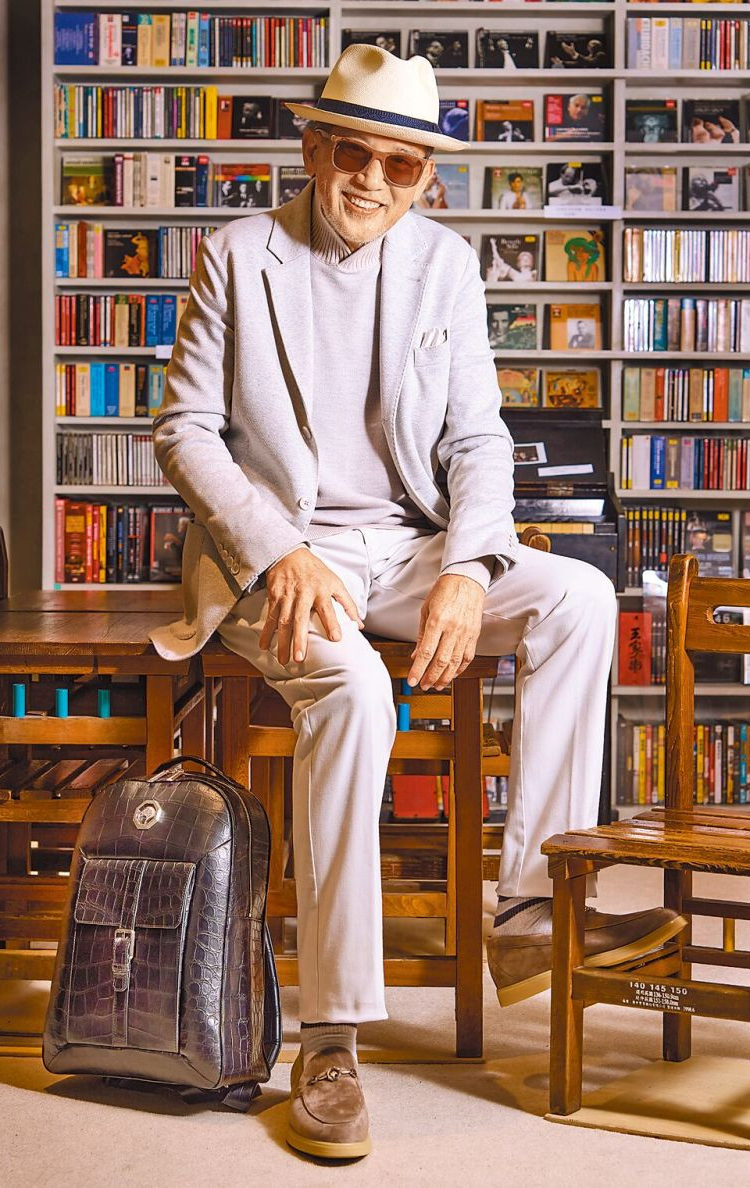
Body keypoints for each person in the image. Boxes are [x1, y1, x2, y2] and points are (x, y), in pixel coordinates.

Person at [150, 43, 685, 1162]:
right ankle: (331, 1038)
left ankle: (530, 910)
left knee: (580, 596)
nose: (373, 181)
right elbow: (185, 431)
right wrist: (275, 551)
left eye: (400, 165)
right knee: (351, 686)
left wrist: (467, 570)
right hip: (279, 561)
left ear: (424, 178)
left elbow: (478, 437)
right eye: (354, 153)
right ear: (313, 149)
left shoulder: (443, 261)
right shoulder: (236, 254)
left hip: (405, 548)